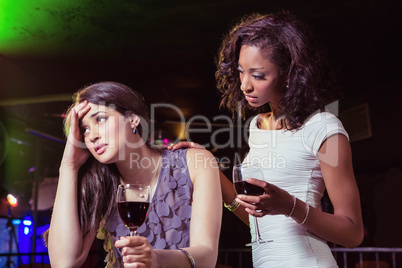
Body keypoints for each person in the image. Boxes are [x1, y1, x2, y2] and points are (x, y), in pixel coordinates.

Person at [169, 10, 364, 267]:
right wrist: (209, 166)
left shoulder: (323, 128)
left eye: (258, 75)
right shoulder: (257, 127)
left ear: (289, 73)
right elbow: (257, 219)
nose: (244, 85)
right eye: (241, 72)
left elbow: (353, 233)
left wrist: (290, 206)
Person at [44, 81, 222, 268]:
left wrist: (156, 259)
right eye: (85, 129)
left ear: (133, 119)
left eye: (100, 119)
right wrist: (68, 166)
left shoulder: (194, 163)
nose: (92, 135)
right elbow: (63, 263)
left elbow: (207, 257)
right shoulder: (101, 184)